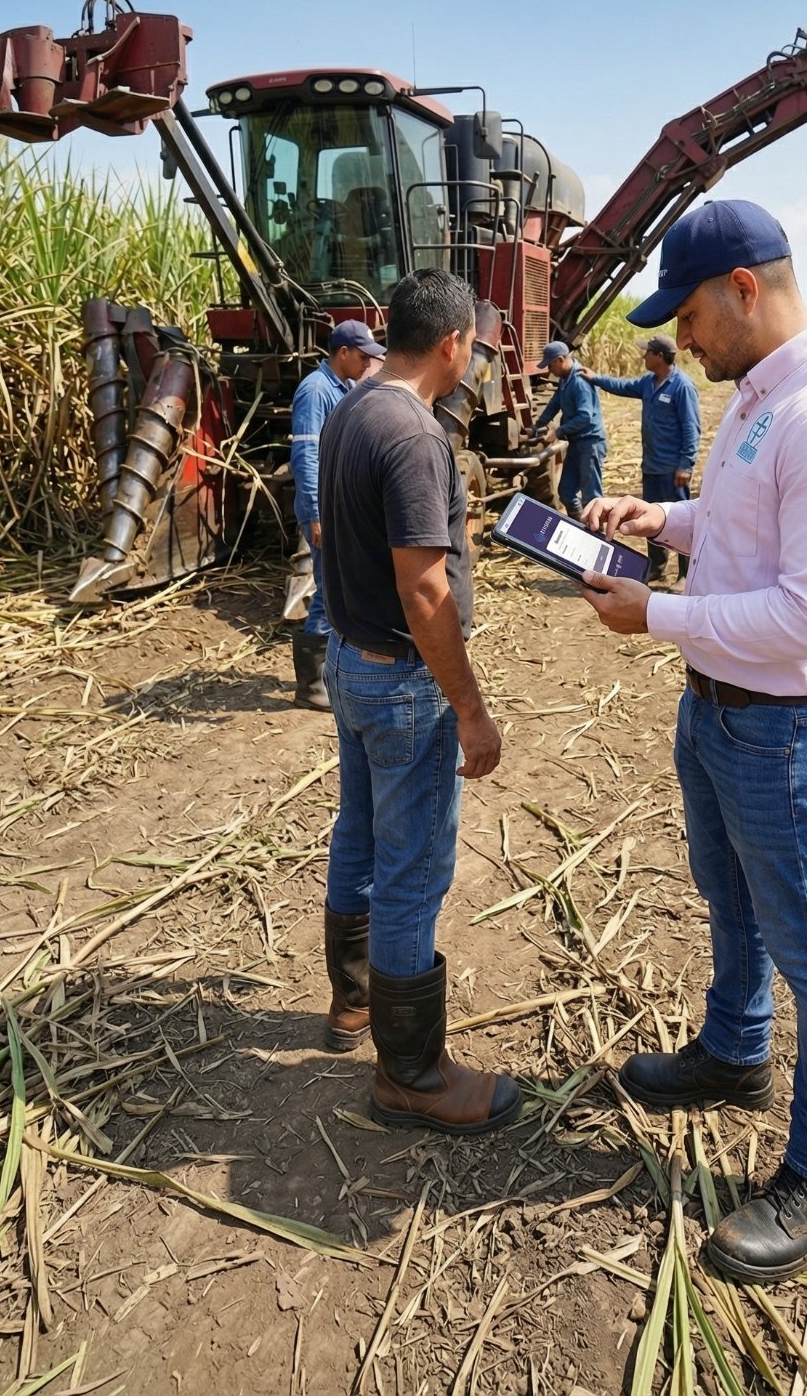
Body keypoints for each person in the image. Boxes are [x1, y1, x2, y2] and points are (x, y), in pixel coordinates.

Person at [578, 199, 807, 1284]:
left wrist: (657, 614)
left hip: (786, 731)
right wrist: (657, 519)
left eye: (689, 314)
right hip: (722, 709)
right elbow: (739, 531)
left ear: (745, 290)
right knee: (728, 894)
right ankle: (734, 1051)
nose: (684, 336)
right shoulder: (762, 398)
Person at [317, 269, 521, 1133]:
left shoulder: (352, 407)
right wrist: (469, 708)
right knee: (411, 871)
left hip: (349, 661)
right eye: (472, 343)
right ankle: (410, 1074)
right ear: (453, 344)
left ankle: (354, 1002)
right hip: (402, 680)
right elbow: (425, 589)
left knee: (360, 834)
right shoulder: (413, 435)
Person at [290, 320, 386, 710]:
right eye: (363, 356)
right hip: (323, 510)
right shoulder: (315, 391)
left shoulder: (341, 388)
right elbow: (306, 455)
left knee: (338, 587)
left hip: (336, 506)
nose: (367, 363)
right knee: (329, 589)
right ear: (342, 352)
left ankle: (329, 673)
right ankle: (311, 685)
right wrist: (316, 515)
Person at [584, 337, 700, 581]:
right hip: (652, 465)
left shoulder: (682, 387)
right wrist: (596, 378)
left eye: (647, 353)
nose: (643, 356)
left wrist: (686, 464)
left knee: (681, 519)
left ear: (659, 356)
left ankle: (685, 574)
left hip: (672, 468)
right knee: (649, 517)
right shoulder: (648, 382)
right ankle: (657, 567)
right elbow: (622, 386)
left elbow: (691, 428)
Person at [530, 341, 608, 516]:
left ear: (560, 360)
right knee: (566, 492)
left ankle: (597, 531)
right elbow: (554, 404)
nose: (549, 370)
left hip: (590, 443)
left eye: (550, 365)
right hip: (577, 443)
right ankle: (579, 525)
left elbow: (585, 416)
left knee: (591, 498)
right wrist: (537, 426)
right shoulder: (565, 379)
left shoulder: (579, 382)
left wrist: (558, 432)